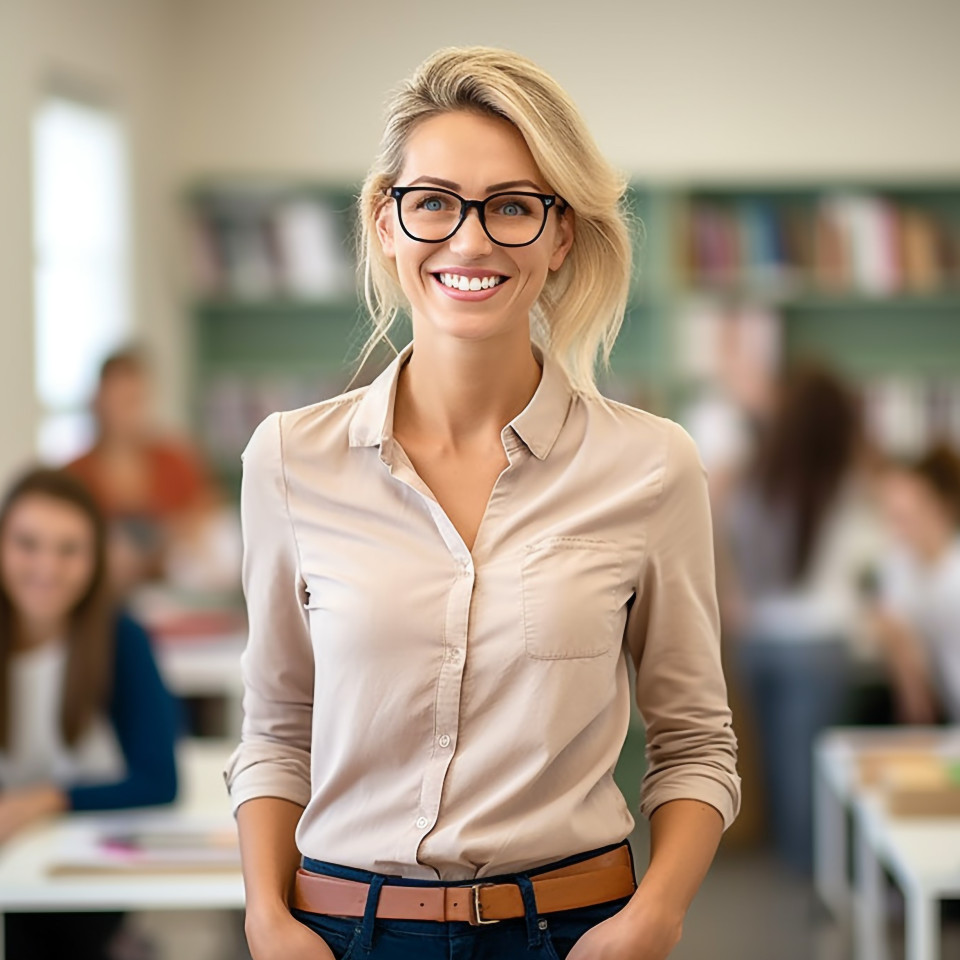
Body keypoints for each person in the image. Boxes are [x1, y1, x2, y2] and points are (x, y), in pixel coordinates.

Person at [225, 47, 740, 960]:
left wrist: (655, 917)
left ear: (560, 236)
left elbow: (696, 742)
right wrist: (268, 924)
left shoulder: (652, 466)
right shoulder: (288, 460)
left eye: (512, 206)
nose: (470, 241)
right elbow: (275, 729)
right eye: (434, 203)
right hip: (345, 934)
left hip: (573, 930)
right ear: (387, 222)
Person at [0, 467, 180, 960]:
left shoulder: (122, 638)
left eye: (68, 549)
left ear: (94, 558)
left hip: (80, 870)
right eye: (27, 544)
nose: (47, 567)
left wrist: (38, 801)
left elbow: (158, 779)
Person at [721, 361, 883, 873]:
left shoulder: (756, 475)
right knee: (812, 774)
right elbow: (874, 555)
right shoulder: (853, 480)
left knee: (775, 768)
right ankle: (819, 882)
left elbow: (721, 531)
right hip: (820, 644)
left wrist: (734, 594)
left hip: (759, 639)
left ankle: (802, 879)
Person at [66, 346, 220, 593]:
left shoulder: (176, 460)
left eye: (136, 400)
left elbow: (207, 518)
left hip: (172, 592)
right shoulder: (75, 473)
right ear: (100, 400)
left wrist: (171, 539)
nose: (129, 413)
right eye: (120, 401)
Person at [872, 443, 960, 723]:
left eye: (905, 518)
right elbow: (889, 621)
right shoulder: (903, 565)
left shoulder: (952, 572)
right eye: (891, 518)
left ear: (938, 507)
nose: (897, 531)